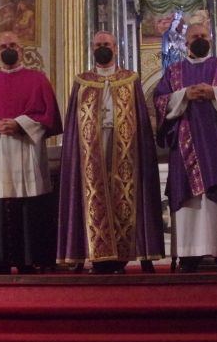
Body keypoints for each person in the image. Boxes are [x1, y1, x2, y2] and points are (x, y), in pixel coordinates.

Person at [58, 31, 164, 274]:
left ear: (116, 48)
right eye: (98, 45)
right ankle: (97, 257)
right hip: (90, 148)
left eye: (106, 44)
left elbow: (141, 121)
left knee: (123, 195)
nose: (102, 48)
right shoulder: (81, 81)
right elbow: (74, 125)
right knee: (94, 194)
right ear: (91, 48)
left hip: (124, 146)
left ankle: (125, 256)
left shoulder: (130, 79)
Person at [155, 21, 217, 272]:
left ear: (211, 39)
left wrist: (215, 93)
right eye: (194, 36)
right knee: (190, 199)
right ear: (186, 42)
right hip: (186, 146)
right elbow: (161, 100)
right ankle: (189, 254)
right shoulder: (174, 71)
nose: (199, 39)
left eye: (203, 35)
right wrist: (184, 95)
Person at [0, 32, 63, 273]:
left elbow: (48, 114)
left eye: (13, 45)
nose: (8, 49)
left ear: (22, 50)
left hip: (26, 150)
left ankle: (31, 259)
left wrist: (20, 123)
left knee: (30, 199)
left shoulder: (38, 80)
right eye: (3, 46)